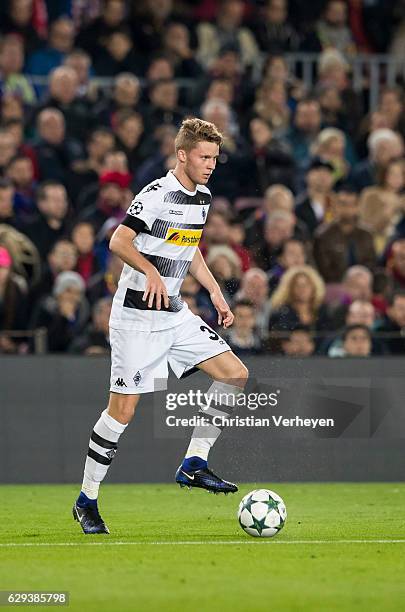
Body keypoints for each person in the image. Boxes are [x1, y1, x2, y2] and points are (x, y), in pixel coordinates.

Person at [73, 117, 249, 535]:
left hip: (174, 314)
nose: (211, 165)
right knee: (123, 412)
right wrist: (150, 271)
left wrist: (215, 293)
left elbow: (191, 251)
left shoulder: (202, 197)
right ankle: (86, 500)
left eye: (215, 158)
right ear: (183, 155)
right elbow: (118, 241)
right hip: (135, 319)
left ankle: (194, 462)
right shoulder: (155, 194)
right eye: (204, 157)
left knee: (235, 374)